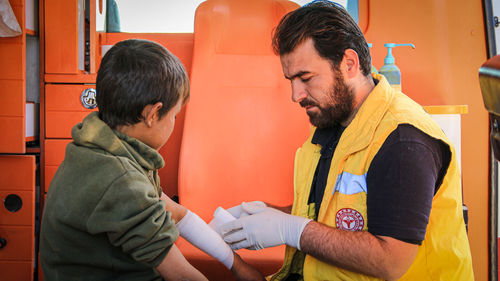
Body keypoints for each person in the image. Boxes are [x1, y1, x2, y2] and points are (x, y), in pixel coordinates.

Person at [219, 1, 474, 280]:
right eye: (291, 80)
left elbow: (390, 261)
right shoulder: (337, 124)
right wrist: (266, 214)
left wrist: (291, 229)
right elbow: (333, 209)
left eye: (305, 78)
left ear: (349, 64)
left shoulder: (403, 140)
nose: (296, 95)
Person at [40, 39, 264, 281]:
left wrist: (238, 266)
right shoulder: (121, 181)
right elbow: (183, 277)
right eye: (174, 115)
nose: (174, 122)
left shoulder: (104, 147)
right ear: (153, 114)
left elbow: (177, 214)